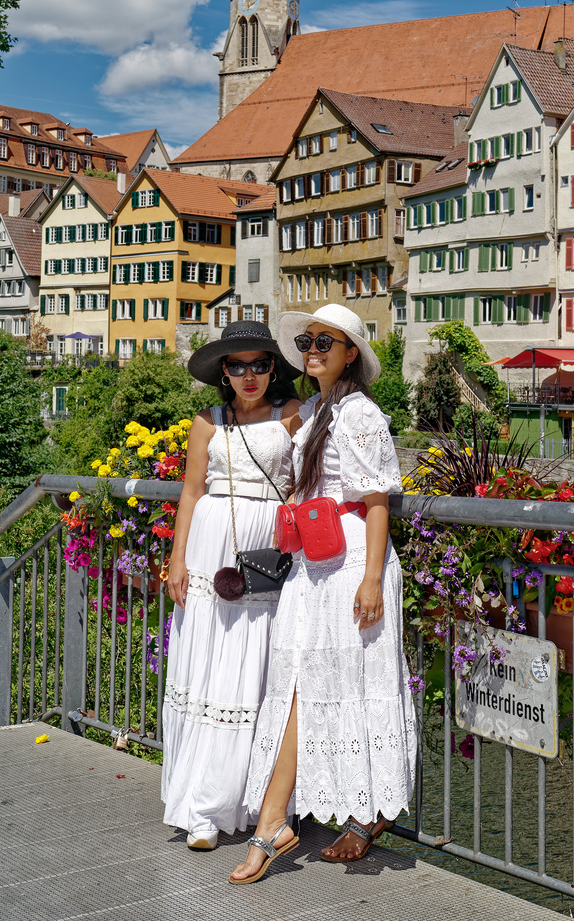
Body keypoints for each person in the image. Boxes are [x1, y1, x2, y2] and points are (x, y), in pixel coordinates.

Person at [229, 304, 416, 884]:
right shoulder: (312, 410)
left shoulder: (361, 415)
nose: (312, 349)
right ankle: (283, 819)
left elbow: (377, 497)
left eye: (326, 342)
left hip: (354, 556)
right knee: (298, 687)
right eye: (307, 340)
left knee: (354, 682)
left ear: (350, 353)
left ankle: (353, 816)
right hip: (314, 561)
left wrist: (370, 580)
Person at [161, 320, 301, 850]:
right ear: (224, 370)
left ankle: (255, 799)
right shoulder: (206, 421)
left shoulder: (292, 416)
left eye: (260, 364)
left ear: (272, 369)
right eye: (238, 365)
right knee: (210, 669)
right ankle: (202, 806)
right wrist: (177, 561)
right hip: (210, 551)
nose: (249, 375)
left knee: (256, 669)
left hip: (265, 555)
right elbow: (191, 494)